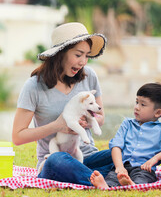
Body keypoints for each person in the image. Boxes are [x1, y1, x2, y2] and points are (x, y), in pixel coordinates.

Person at [12, 22, 113, 186]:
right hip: (56, 159)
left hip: (86, 157)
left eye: (87, 56)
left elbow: (100, 118)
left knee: (121, 152)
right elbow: (18, 136)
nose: (83, 62)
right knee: (56, 160)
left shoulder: (89, 76)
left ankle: (92, 178)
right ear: (60, 53)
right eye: (78, 55)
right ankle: (102, 180)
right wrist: (57, 126)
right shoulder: (34, 86)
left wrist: (87, 122)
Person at [90, 83, 161, 189]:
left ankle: (133, 185)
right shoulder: (127, 124)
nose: (136, 107)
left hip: (144, 168)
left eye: (142, 105)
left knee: (142, 178)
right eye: (136, 102)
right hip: (123, 166)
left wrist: (155, 158)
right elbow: (116, 146)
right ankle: (106, 186)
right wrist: (119, 167)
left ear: (158, 113)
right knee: (113, 176)